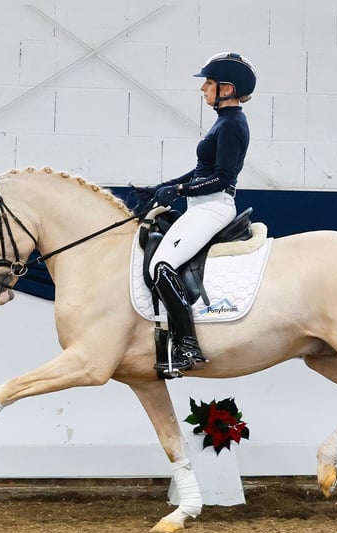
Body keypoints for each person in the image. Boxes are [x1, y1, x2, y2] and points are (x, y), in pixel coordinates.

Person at [140, 52, 256, 373]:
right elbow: (199, 172)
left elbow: (221, 178)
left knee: (163, 267)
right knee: (158, 265)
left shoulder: (232, 125)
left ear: (227, 88)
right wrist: (161, 187)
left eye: (208, 82)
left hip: (214, 206)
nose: (203, 88)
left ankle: (188, 346)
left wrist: (178, 192)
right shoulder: (222, 122)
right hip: (201, 205)